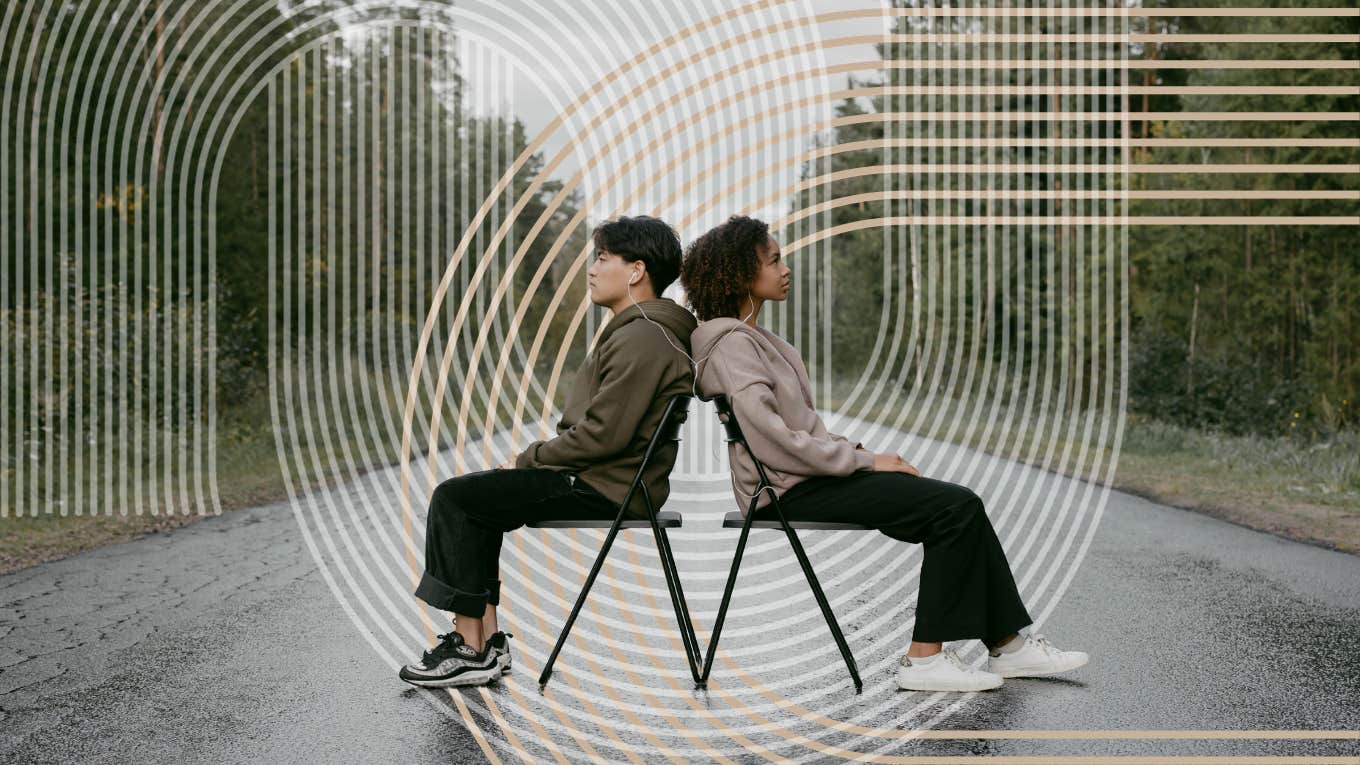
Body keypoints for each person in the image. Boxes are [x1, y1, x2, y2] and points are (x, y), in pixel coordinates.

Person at [678, 214, 1088, 693]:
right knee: (953, 507)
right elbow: (773, 441)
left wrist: (859, 453)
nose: (785, 269)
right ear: (740, 275)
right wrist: (866, 462)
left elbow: (797, 431)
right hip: (784, 490)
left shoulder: (755, 340)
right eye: (774, 261)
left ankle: (1008, 646)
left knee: (955, 505)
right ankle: (924, 660)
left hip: (800, 479)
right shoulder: (730, 345)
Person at [400, 215, 698, 688]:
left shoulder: (645, 335)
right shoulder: (643, 329)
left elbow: (605, 435)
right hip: (610, 478)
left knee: (458, 498)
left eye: (602, 258)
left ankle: (470, 647)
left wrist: (527, 460)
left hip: (605, 484)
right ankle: (485, 644)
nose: (593, 269)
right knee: (480, 498)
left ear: (637, 270)